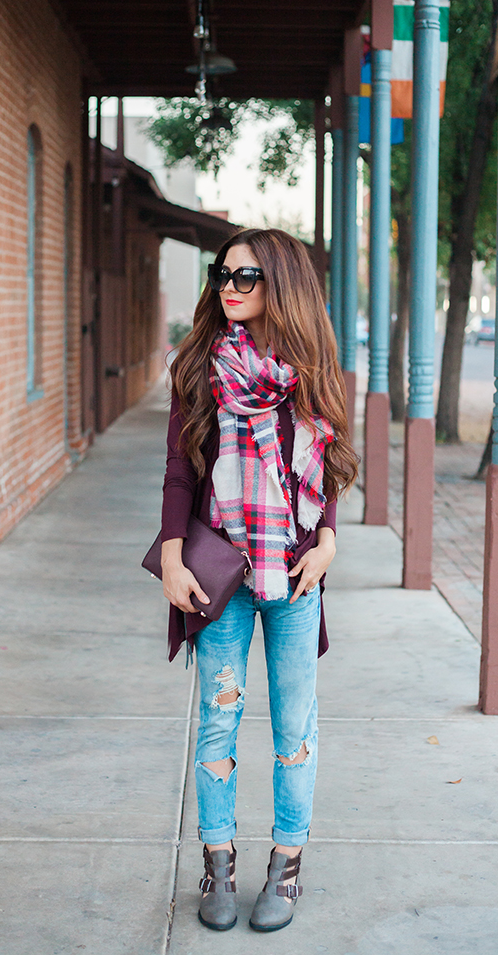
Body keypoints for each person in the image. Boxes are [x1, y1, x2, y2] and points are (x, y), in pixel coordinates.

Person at [160, 228, 358, 933]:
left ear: (282, 283)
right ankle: (217, 865)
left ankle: (286, 865)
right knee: (219, 718)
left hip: (296, 573)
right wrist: (173, 556)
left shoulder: (312, 369)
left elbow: (326, 464)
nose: (229, 287)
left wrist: (328, 539)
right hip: (221, 572)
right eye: (223, 274)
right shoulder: (200, 365)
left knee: (293, 726)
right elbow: (180, 469)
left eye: (246, 277)